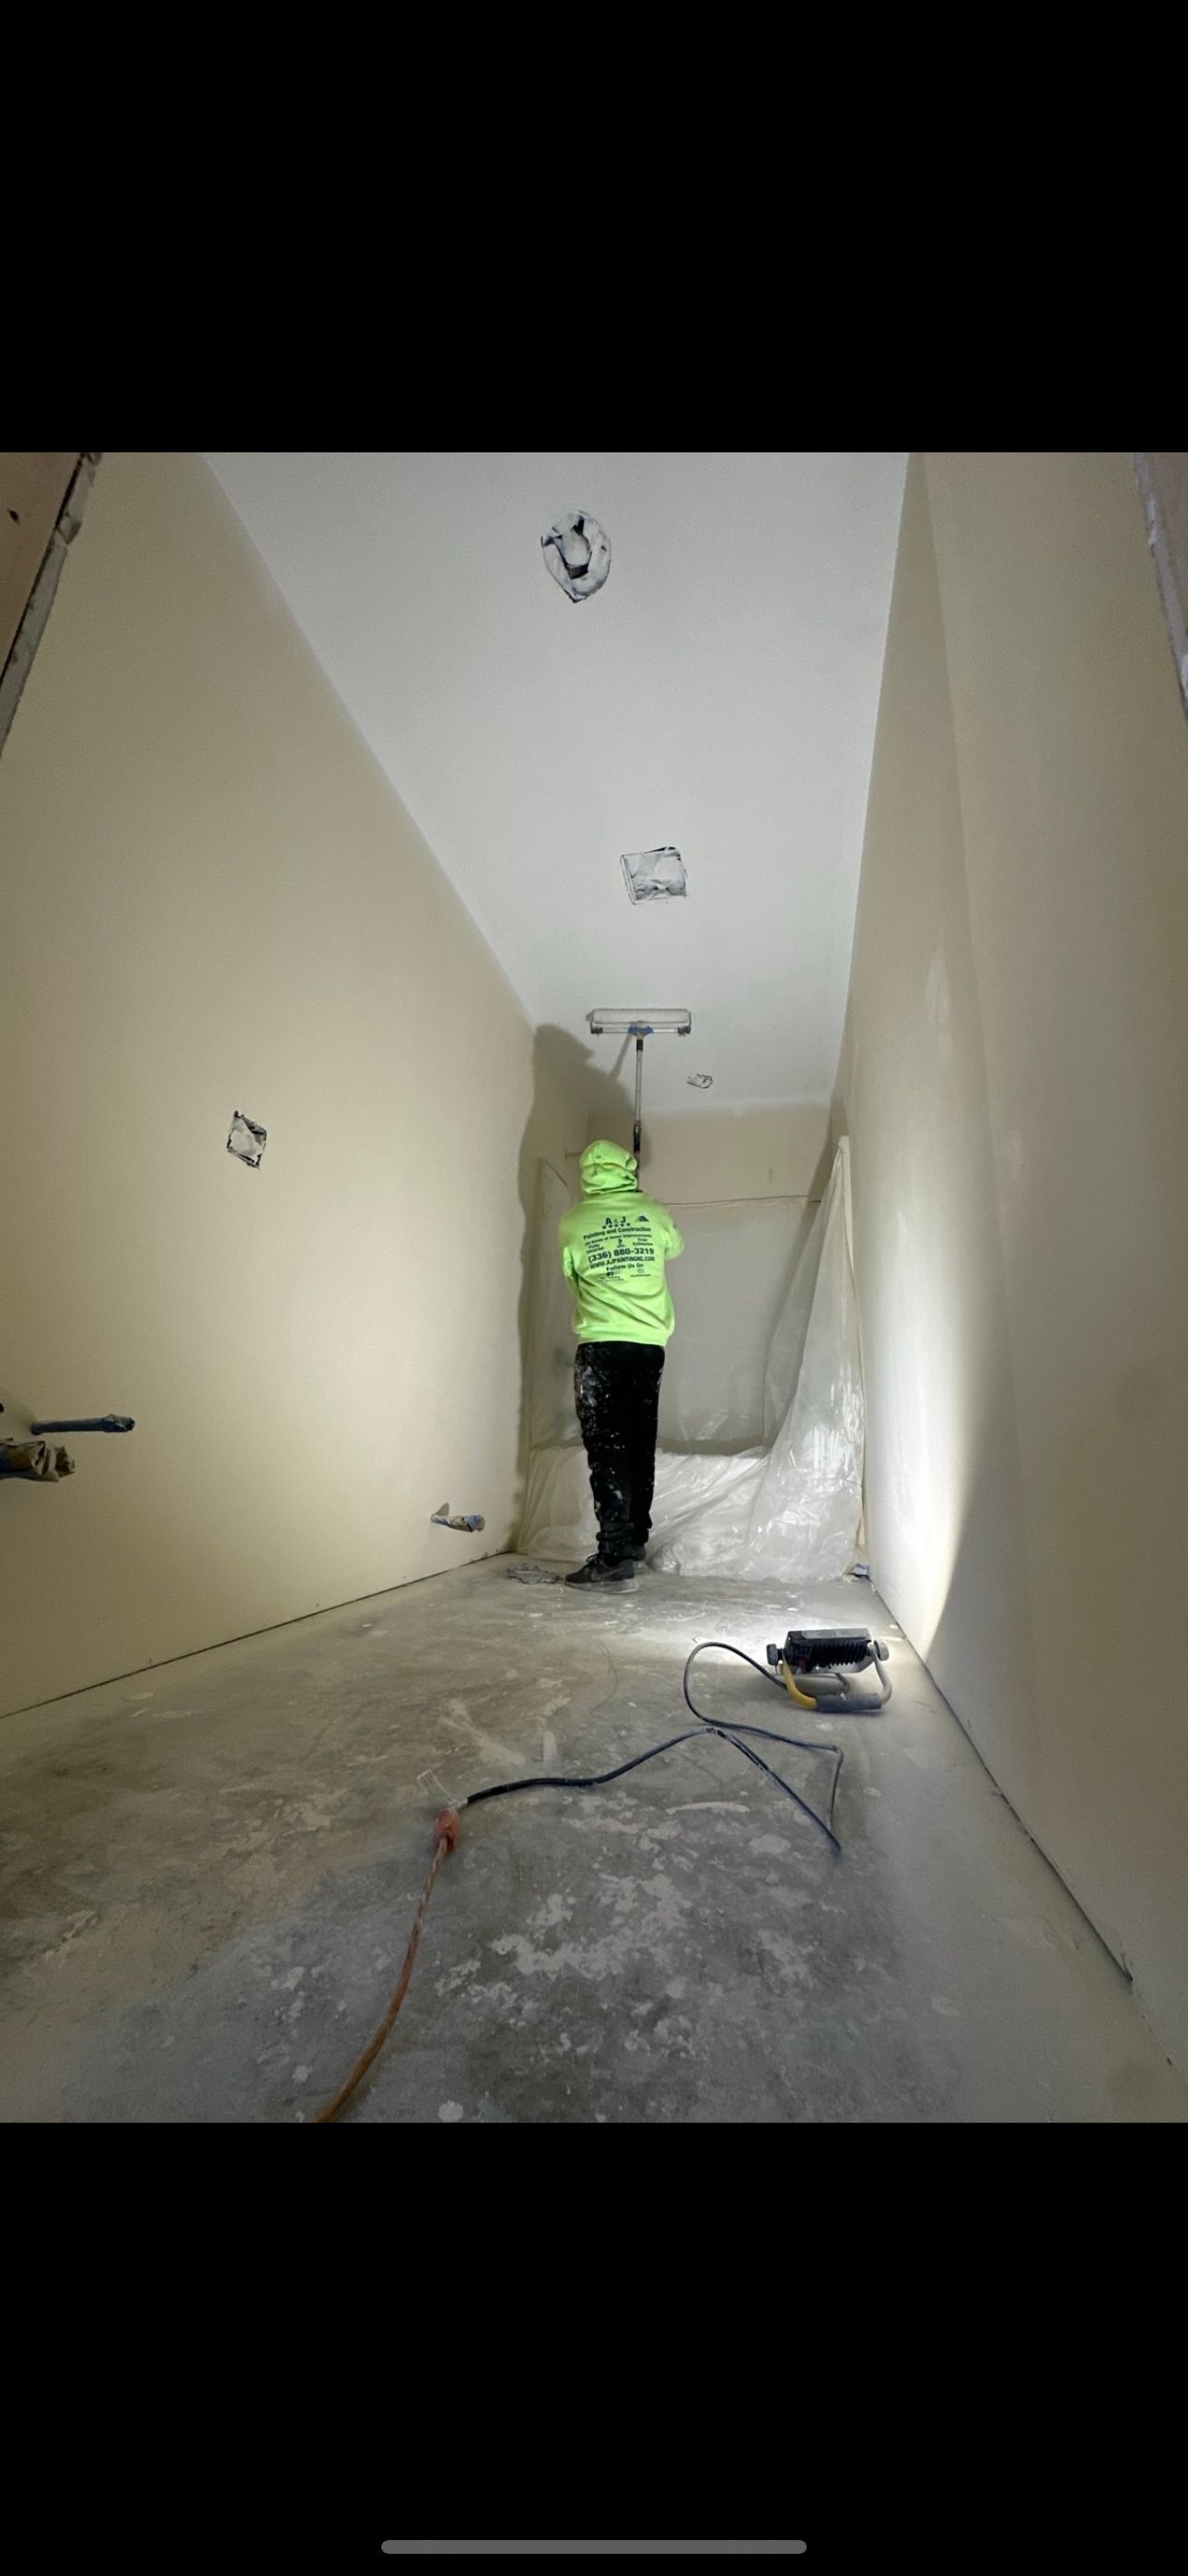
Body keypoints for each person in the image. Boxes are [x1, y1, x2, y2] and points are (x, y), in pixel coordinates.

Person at [558, 1139, 684, 1586]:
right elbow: (675, 1248)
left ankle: (614, 1555)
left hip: (601, 1343)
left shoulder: (573, 1221)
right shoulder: (654, 1211)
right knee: (637, 1442)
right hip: (649, 1344)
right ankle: (633, 1541)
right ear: (628, 1168)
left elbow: (570, 1272)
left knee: (607, 1447)